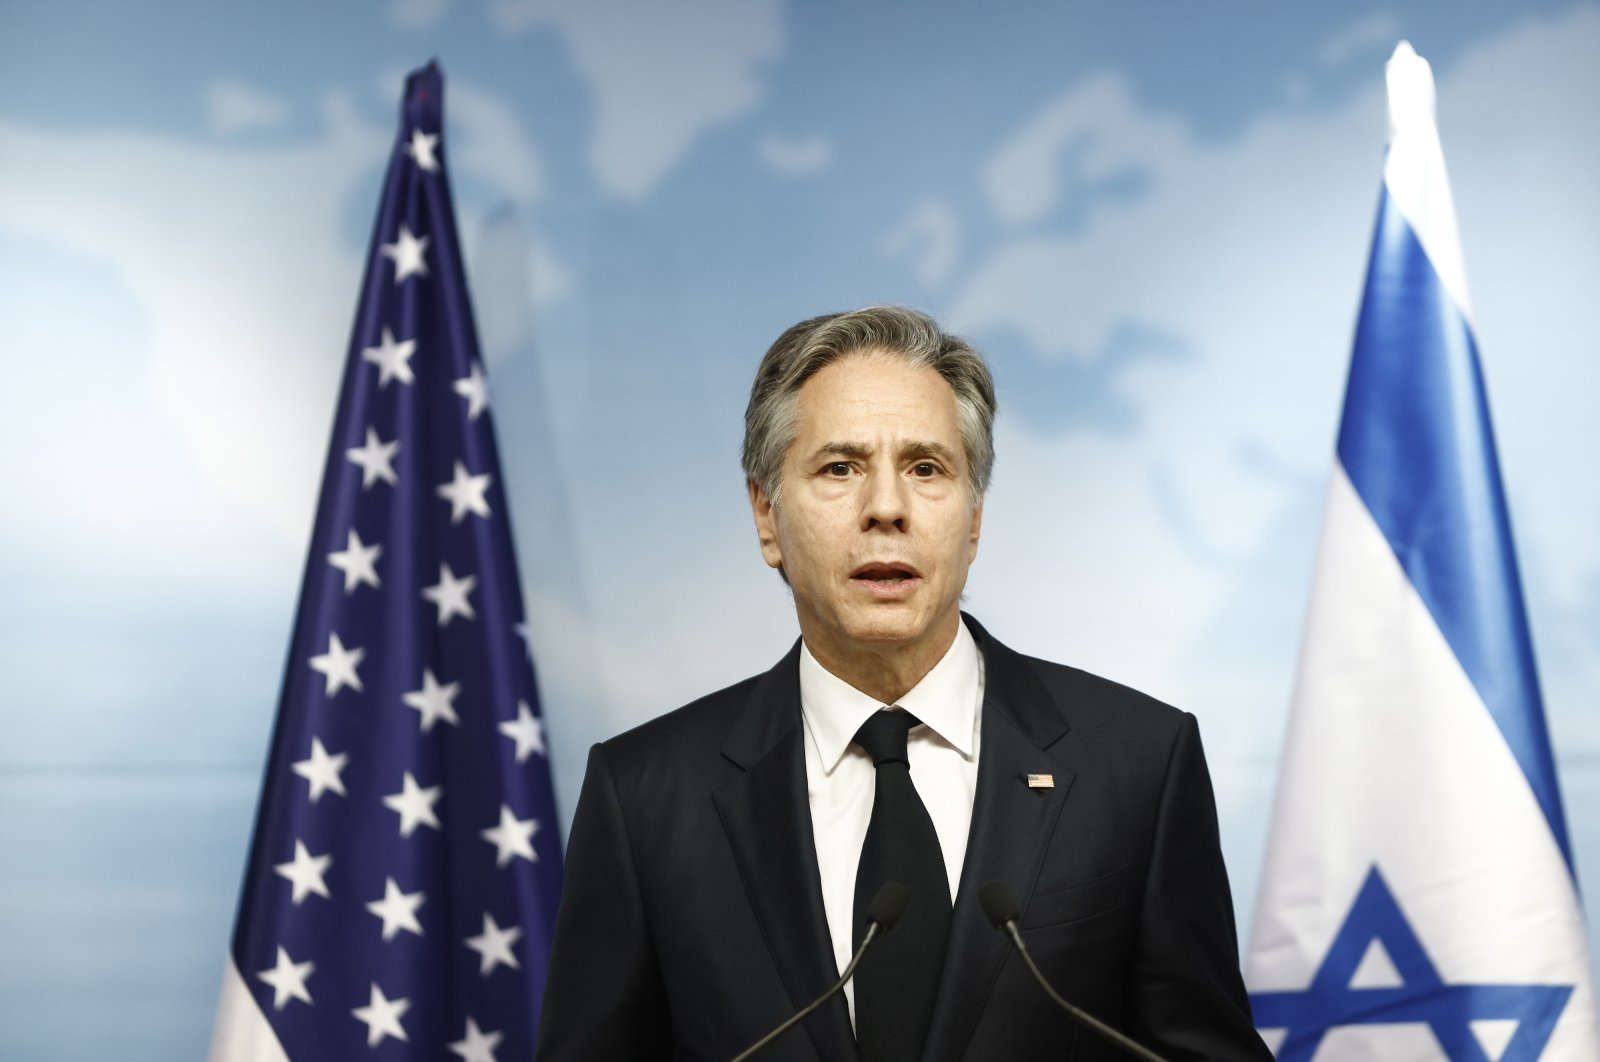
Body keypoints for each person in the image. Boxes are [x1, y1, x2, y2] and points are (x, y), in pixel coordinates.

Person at [535, 306, 1270, 1061]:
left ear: (974, 516)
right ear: (766, 515)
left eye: (926, 468)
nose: (886, 508)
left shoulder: (1137, 764)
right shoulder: (648, 797)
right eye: (839, 468)